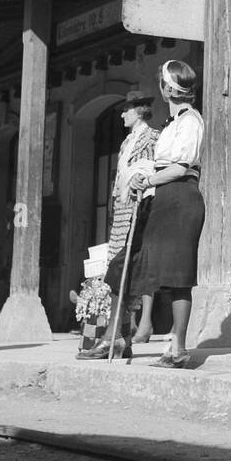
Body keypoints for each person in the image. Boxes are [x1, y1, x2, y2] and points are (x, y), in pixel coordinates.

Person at [128, 62, 205, 369]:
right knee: (163, 273)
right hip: (165, 197)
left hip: (182, 197)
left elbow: (180, 167)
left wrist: (148, 180)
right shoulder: (172, 123)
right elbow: (161, 167)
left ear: (167, 89)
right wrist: (142, 177)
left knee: (179, 276)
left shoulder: (190, 121)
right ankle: (171, 345)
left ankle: (179, 349)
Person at [77, 90, 159, 360]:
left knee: (127, 269)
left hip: (140, 209)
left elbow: (152, 173)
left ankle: (119, 335)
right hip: (123, 212)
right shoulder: (126, 142)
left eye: (127, 109)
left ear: (139, 111)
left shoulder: (151, 137)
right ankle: (122, 336)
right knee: (118, 270)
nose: (123, 114)